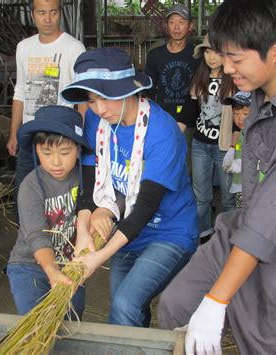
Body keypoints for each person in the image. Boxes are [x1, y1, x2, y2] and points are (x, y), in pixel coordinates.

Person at [158, 0, 276, 354]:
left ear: (275, 51)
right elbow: (257, 215)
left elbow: (270, 220)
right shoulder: (262, 90)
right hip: (243, 226)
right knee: (176, 305)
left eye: (236, 59)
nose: (227, 68)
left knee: (263, 345)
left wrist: (216, 300)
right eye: (222, 55)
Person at [61, 48, 199, 328]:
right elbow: (89, 184)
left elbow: (146, 206)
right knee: (126, 309)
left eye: (105, 97)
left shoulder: (162, 132)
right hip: (126, 229)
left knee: (125, 304)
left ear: (128, 89)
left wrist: (98, 257)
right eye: (91, 100)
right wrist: (84, 230)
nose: (99, 109)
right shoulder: (96, 123)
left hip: (169, 233)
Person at [7, 105, 91, 317]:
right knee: (36, 319)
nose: (56, 162)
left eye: (65, 152)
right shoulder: (30, 186)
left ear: (79, 149)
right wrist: (51, 270)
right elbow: (36, 235)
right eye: (46, 152)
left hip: (71, 265)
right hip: (29, 264)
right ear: (36, 150)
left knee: (71, 320)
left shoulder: (86, 178)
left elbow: (112, 199)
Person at [6, 0, 86, 221]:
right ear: (33, 15)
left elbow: (82, 98)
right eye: (41, 13)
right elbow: (20, 91)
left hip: (61, 136)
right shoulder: (24, 47)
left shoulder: (74, 48)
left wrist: (80, 135)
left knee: (60, 197)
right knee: (26, 191)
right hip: (31, 133)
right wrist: (14, 131)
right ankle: (30, 243)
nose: (47, 19)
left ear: (60, 13)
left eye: (53, 12)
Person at [177, 34, 236, 240]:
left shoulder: (235, 79)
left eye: (217, 52)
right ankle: (204, 234)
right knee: (201, 197)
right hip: (200, 144)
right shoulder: (199, 77)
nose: (211, 57)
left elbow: (241, 116)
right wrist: (175, 132)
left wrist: (234, 145)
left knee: (229, 198)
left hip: (224, 145)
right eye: (207, 52)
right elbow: (190, 109)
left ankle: (228, 237)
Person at [145, 4, 198, 131]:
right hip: (162, 119)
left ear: (190, 25)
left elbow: (199, 92)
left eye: (181, 22)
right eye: (172, 22)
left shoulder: (198, 55)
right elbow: (149, 91)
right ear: (166, 25)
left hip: (191, 122)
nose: (176, 27)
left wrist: (184, 121)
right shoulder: (154, 55)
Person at [221, 91, 251, 208]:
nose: (240, 119)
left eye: (245, 113)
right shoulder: (240, 133)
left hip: (252, 189)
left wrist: (242, 164)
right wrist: (231, 152)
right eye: (236, 113)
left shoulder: (258, 133)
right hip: (239, 187)